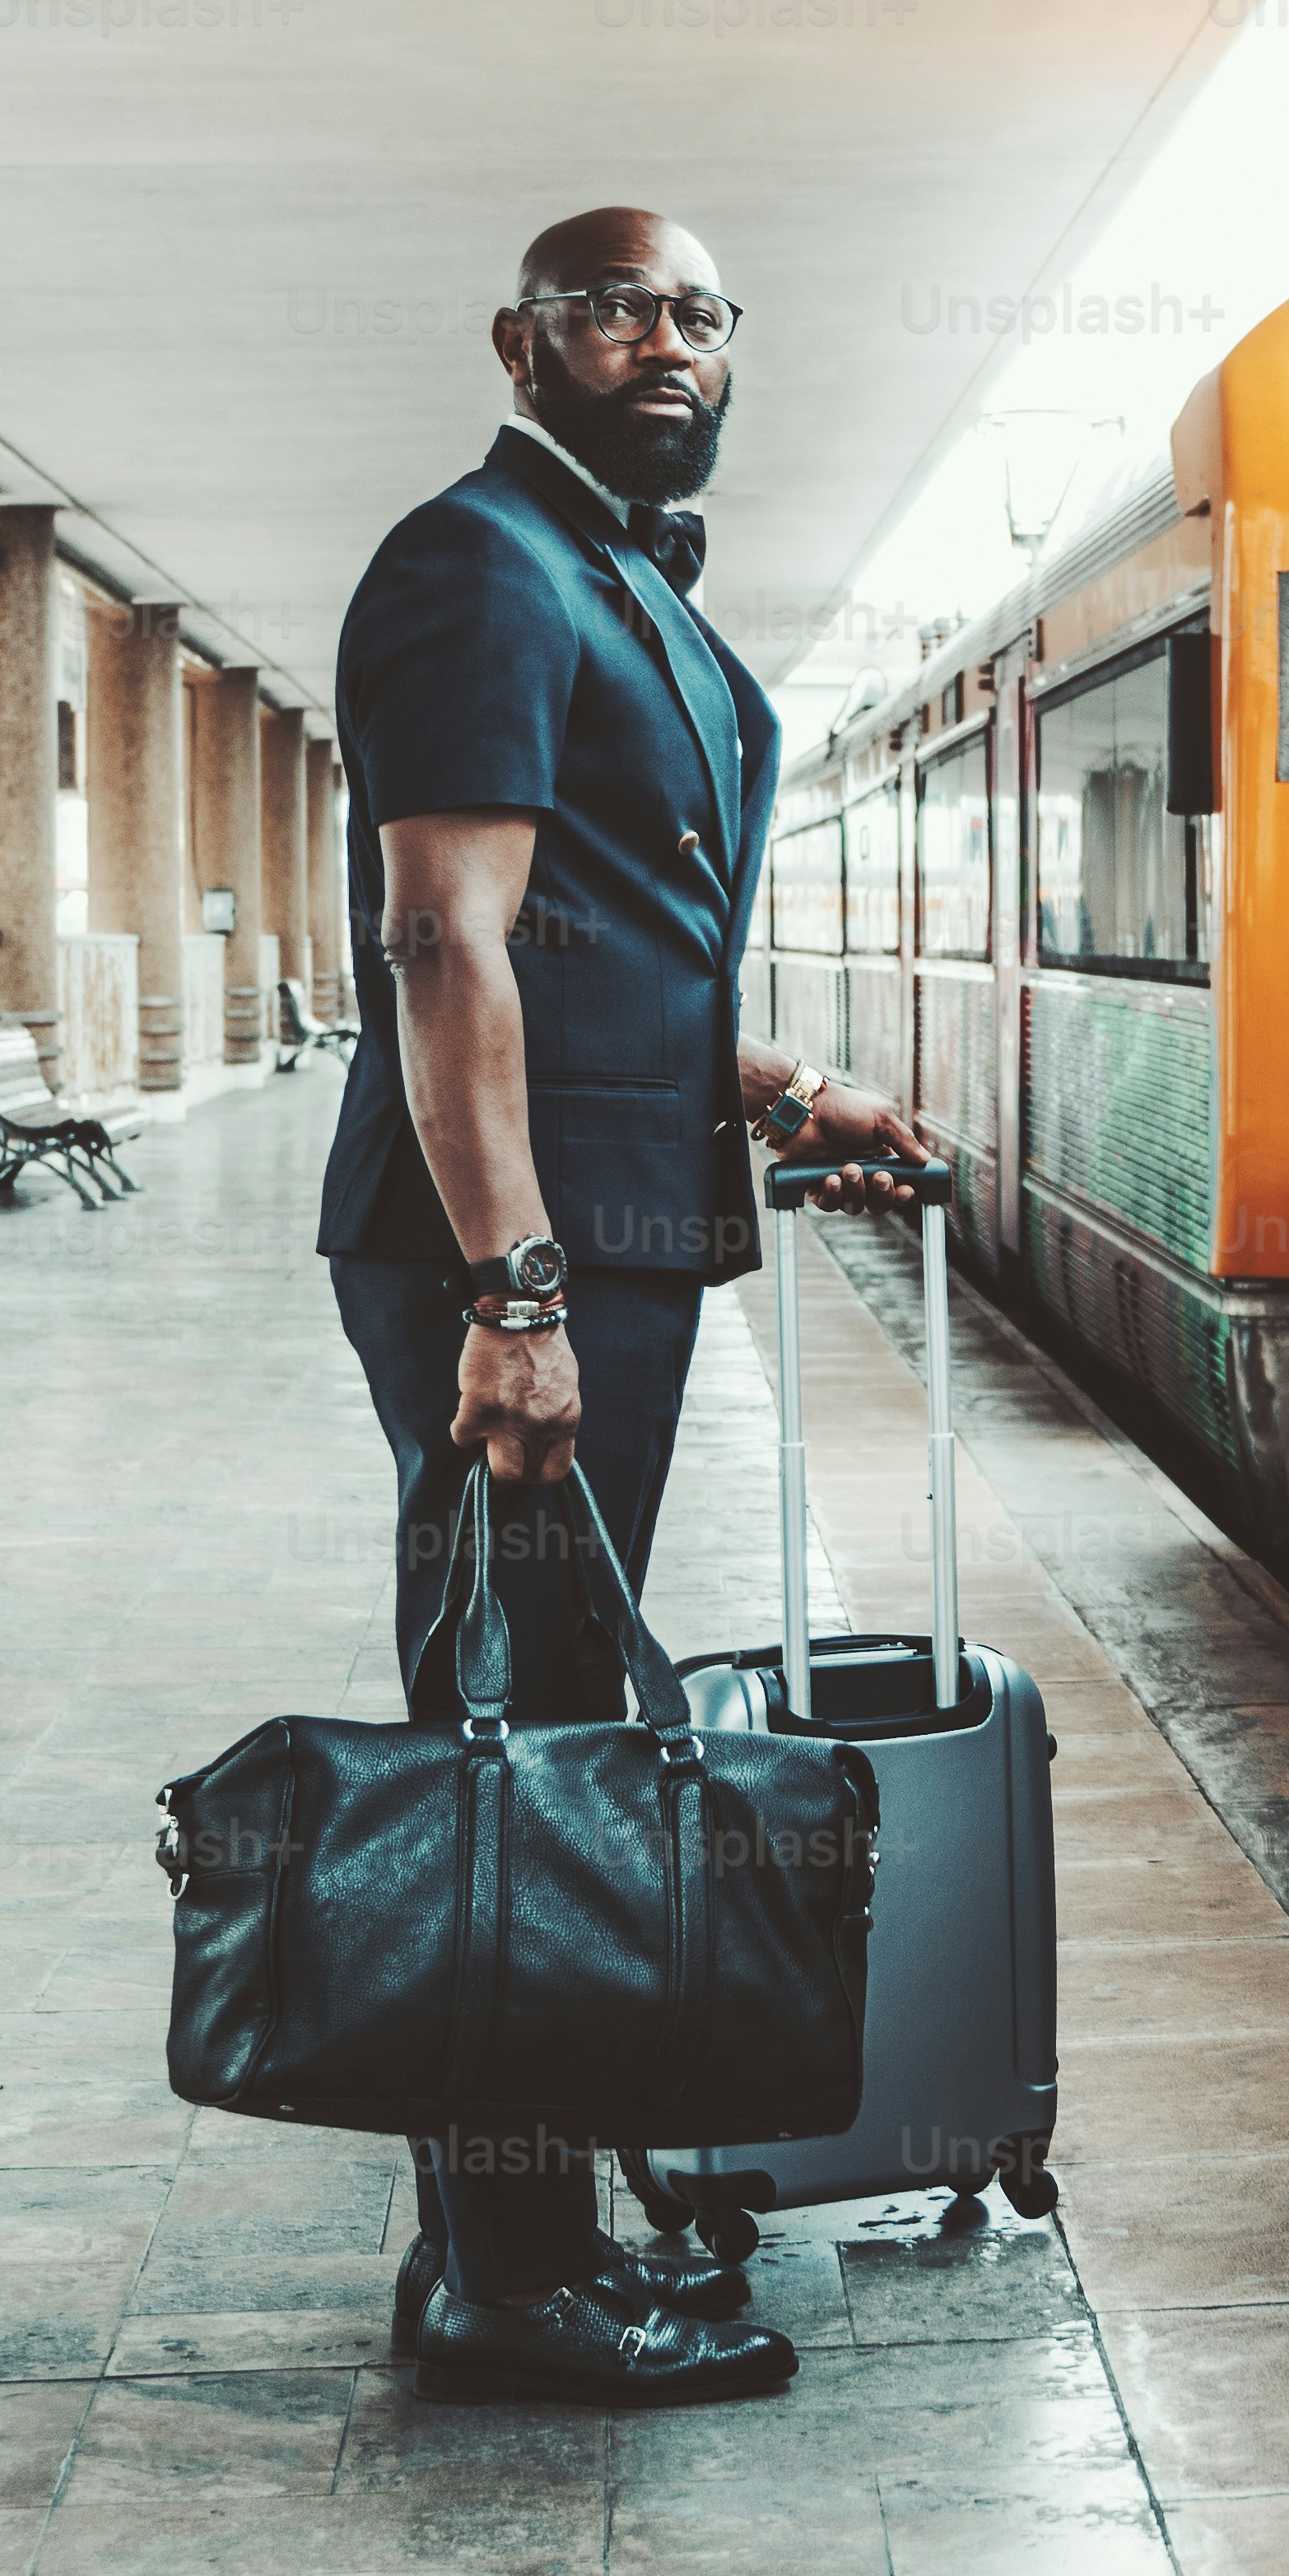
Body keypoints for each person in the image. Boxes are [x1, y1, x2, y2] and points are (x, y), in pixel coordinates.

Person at [324, 205, 924, 2407]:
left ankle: (507, 2225)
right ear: (521, 338)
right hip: (522, 1263)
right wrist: (518, 1287)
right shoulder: (484, 562)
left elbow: (592, 957)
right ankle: (508, 2272)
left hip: (600, 1234)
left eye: (696, 309)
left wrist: (776, 1089)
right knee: (523, 1755)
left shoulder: (605, 581)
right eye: (610, 306)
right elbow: (443, 947)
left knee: (541, 1725)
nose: (661, 338)